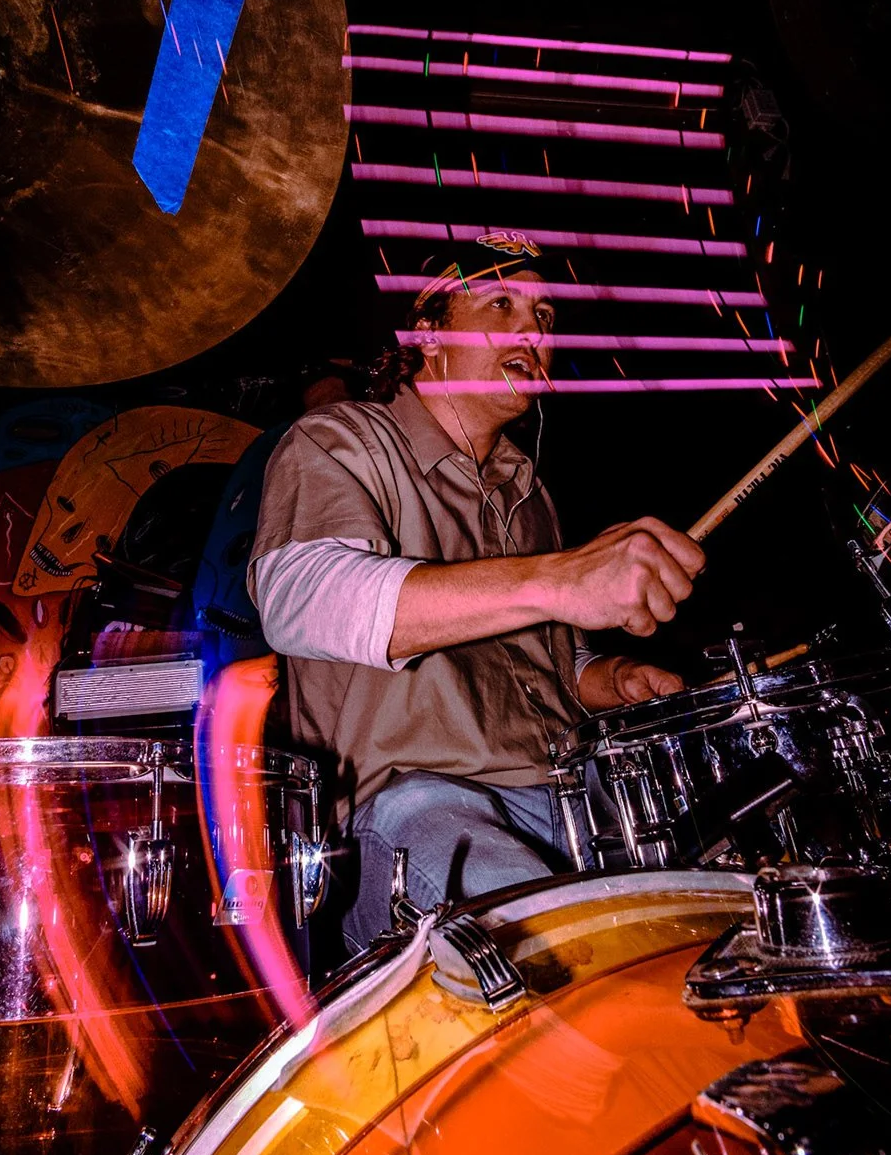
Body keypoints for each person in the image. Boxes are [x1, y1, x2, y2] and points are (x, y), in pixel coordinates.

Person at [248, 233, 706, 954]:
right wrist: (556, 578)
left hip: (572, 792)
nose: (534, 331)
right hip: (416, 807)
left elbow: (545, 661)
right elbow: (300, 599)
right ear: (426, 335)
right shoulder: (340, 442)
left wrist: (610, 678)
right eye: (502, 305)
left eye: (547, 316)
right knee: (571, 955)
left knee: (714, 926)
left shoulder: (528, 493)